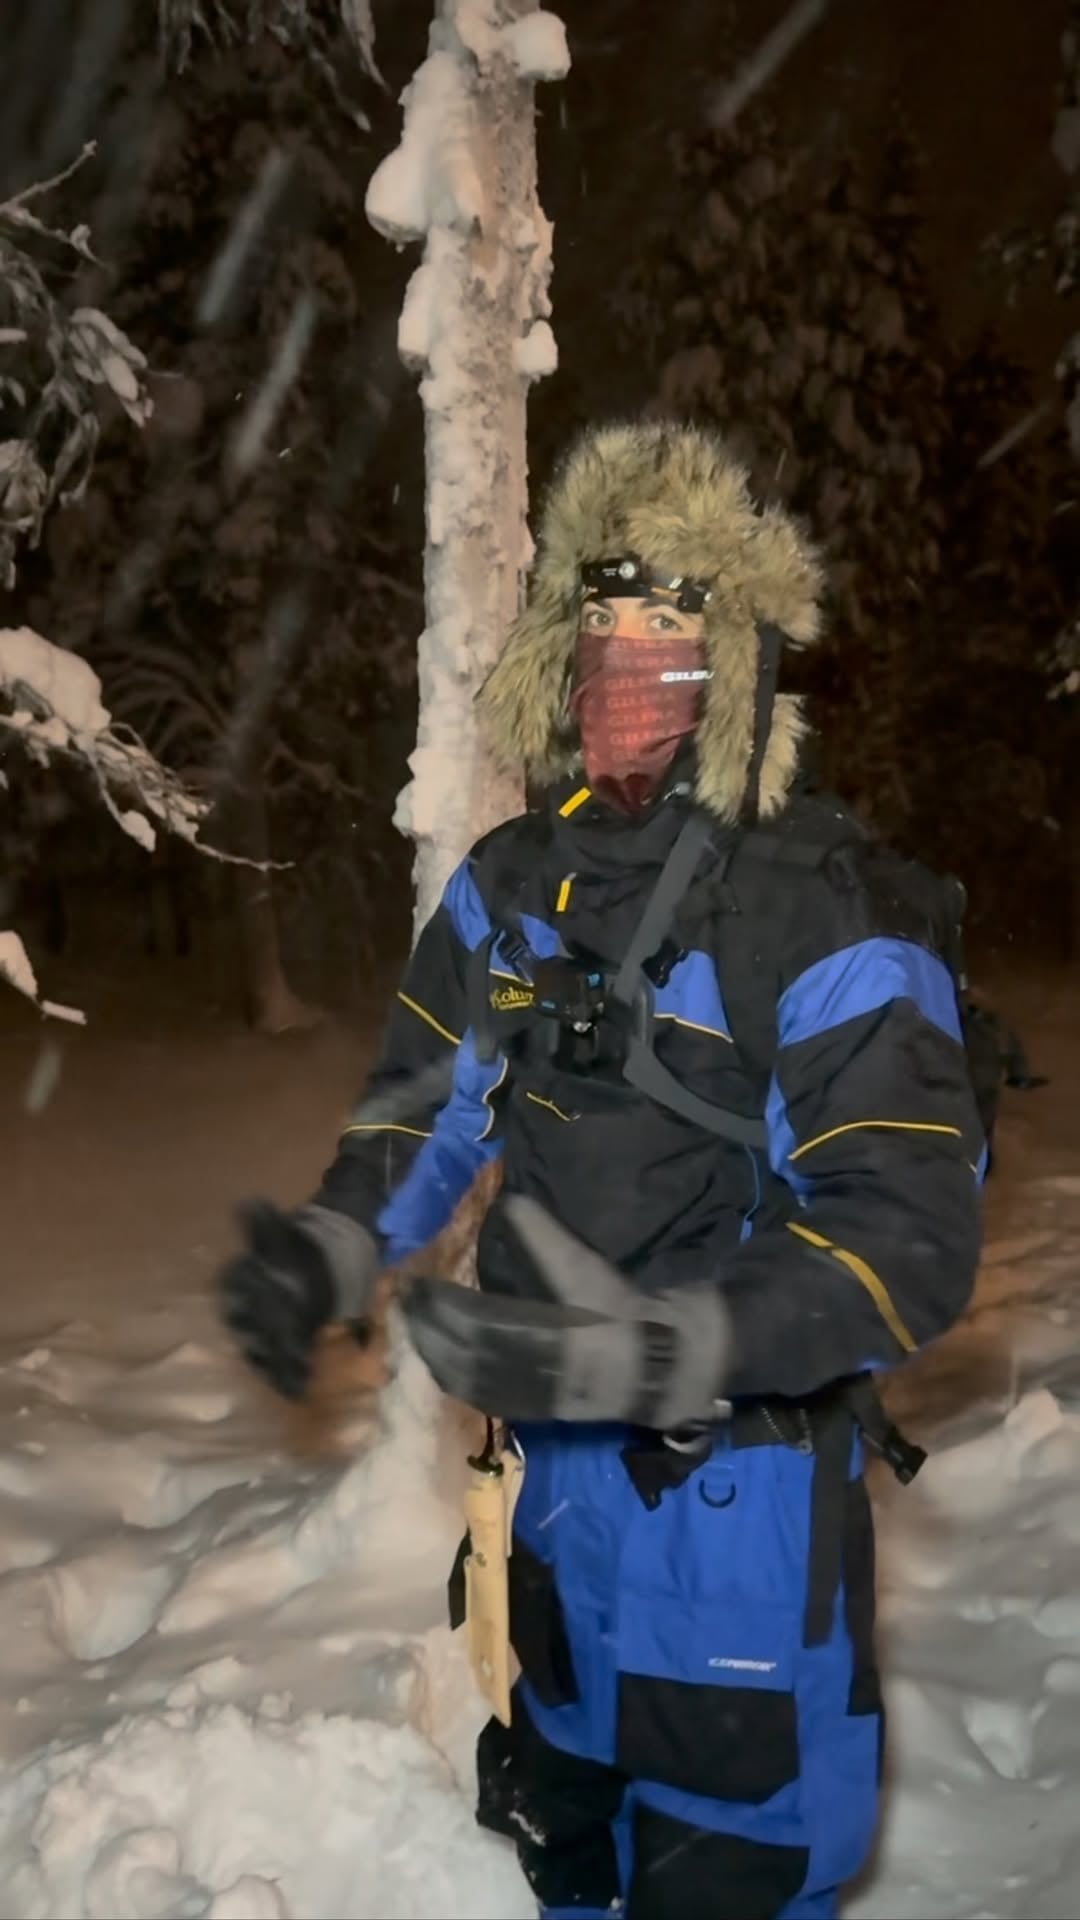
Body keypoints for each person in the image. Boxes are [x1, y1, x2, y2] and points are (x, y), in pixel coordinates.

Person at [220, 421, 984, 1920]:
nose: (625, 677)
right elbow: (424, 1108)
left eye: (668, 638)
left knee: (730, 1877)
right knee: (569, 1849)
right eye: (600, 633)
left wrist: (684, 1344)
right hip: (553, 1512)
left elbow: (905, 1230)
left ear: (736, 668)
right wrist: (333, 1239)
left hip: (740, 1524)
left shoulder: (821, 906)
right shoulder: (512, 886)